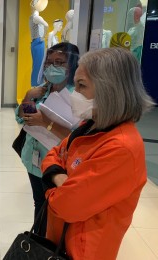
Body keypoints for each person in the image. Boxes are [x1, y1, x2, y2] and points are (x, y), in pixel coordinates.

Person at [41, 47, 155, 259]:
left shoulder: (121, 148)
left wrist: (51, 183)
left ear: (109, 89)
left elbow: (66, 206)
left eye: (81, 85)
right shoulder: (90, 125)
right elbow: (53, 154)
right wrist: (59, 176)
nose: (75, 94)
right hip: (59, 243)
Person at [15, 42, 80, 236]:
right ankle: (39, 239)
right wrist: (27, 98)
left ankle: (50, 242)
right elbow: (23, 118)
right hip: (33, 160)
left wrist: (47, 123)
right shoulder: (41, 90)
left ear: (72, 66)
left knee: (55, 206)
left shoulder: (77, 97)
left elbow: (77, 139)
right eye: (49, 62)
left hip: (56, 166)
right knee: (39, 201)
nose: (52, 67)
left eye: (59, 62)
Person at [30, 0, 49, 87]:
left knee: (36, 65)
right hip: (38, 42)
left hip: (35, 42)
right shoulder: (36, 17)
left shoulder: (32, 17)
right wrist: (43, 36)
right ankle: (37, 85)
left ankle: (35, 85)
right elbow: (46, 25)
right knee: (39, 65)